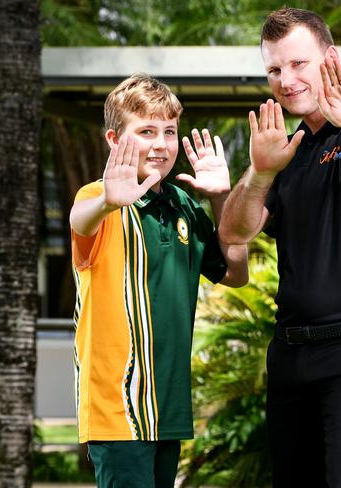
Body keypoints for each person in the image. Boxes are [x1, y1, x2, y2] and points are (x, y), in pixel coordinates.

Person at [218, 7, 341, 488]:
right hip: (290, 357)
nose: (286, 80)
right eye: (274, 69)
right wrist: (262, 172)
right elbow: (236, 232)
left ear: (329, 57)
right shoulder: (283, 150)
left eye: (298, 64)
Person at [69, 73, 248, 487]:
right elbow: (81, 222)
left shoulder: (183, 203)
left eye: (169, 131)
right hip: (118, 411)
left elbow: (236, 273)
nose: (161, 144)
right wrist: (107, 202)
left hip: (168, 409)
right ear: (114, 139)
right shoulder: (95, 199)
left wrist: (220, 198)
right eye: (146, 131)